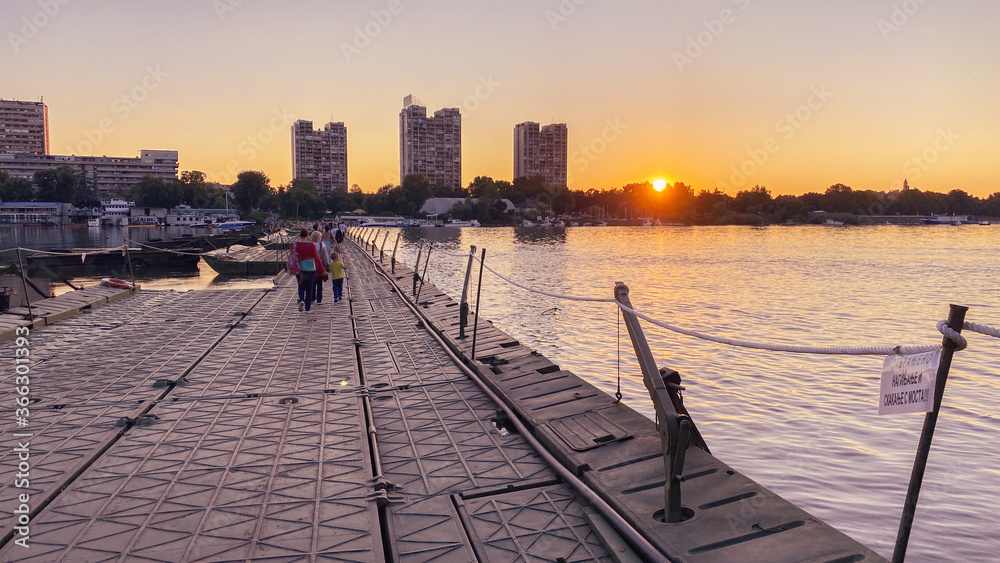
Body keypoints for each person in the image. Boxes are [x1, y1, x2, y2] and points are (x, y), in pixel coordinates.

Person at [293, 228, 326, 313]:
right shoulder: (311, 245)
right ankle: (308, 309)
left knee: (300, 286)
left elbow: (292, 257)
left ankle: (301, 300)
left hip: (299, 268)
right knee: (309, 288)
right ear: (308, 236)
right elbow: (317, 258)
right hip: (310, 268)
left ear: (300, 235)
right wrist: (322, 269)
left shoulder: (295, 245)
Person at [310, 230, 331, 305]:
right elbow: (325, 255)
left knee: (312, 282)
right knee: (319, 282)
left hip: (311, 264)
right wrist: (326, 263)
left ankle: (312, 297)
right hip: (319, 264)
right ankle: (319, 299)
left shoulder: (310, 244)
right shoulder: (321, 244)